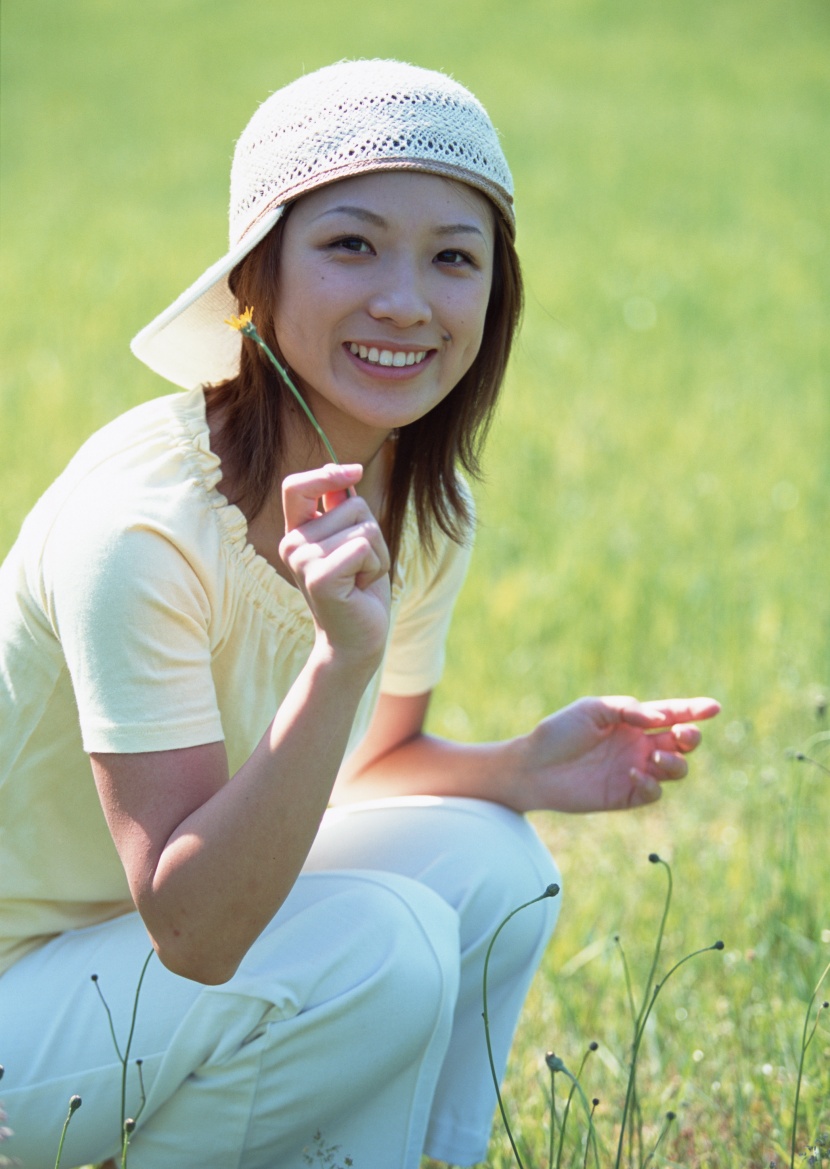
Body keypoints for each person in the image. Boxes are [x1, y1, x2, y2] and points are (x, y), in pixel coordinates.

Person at [0, 59, 719, 1168]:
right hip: (24, 1000)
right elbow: (192, 930)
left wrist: (520, 767)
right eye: (350, 244)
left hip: (132, 964)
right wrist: (343, 659)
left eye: (452, 258)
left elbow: (363, 767)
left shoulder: (424, 506)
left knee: (489, 859)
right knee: (380, 942)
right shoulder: (139, 525)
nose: (405, 300)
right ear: (254, 275)